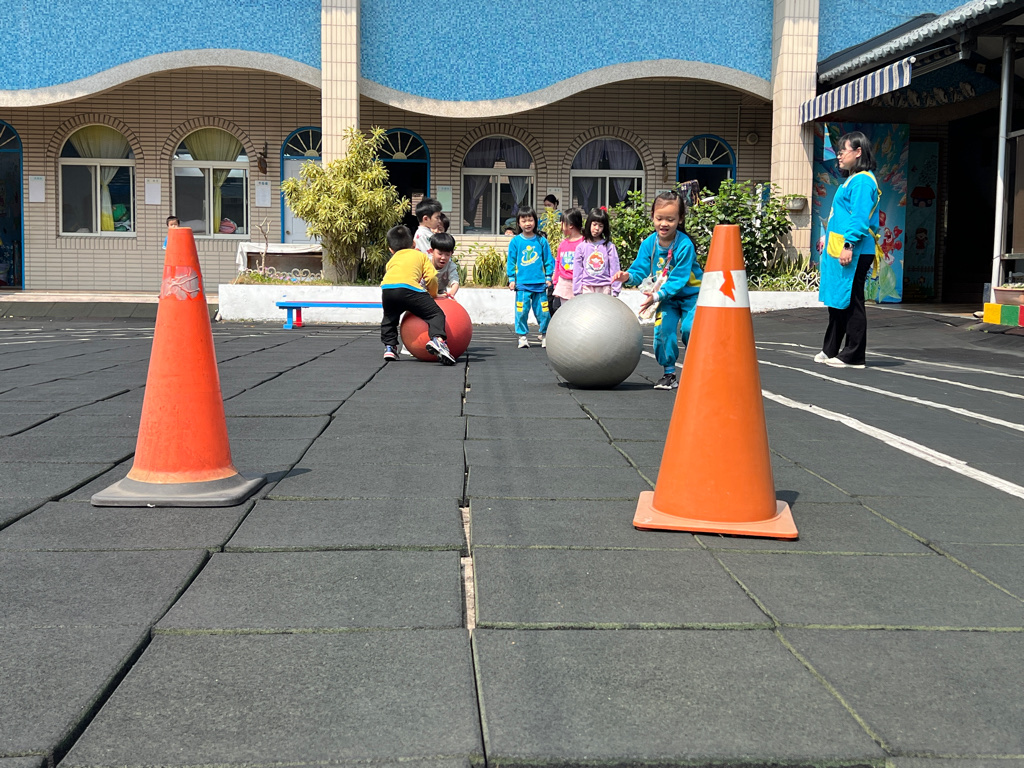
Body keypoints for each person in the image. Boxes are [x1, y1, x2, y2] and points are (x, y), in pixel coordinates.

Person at [613, 191, 703, 390]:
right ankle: (669, 373)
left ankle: (697, 369)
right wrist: (627, 276)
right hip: (666, 299)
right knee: (663, 330)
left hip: (691, 296)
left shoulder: (684, 245)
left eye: (670, 219)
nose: (664, 224)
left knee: (691, 329)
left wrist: (655, 296)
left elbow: (679, 279)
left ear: (680, 219)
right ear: (652, 216)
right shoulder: (649, 244)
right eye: (659, 218)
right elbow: (640, 269)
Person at [816, 131, 880, 370]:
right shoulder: (853, 179)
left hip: (855, 249)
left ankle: (854, 355)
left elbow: (860, 219)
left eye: (843, 151)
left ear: (858, 151)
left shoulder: (863, 180)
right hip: (841, 247)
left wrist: (849, 245)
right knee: (838, 299)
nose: (839, 156)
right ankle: (831, 348)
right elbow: (841, 216)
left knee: (852, 301)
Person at [380, 225, 455, 365]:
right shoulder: (420, 255)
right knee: (435, 314)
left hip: (387, 290)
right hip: (410, 290)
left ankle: (390, 347)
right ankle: (438, 340)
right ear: (413, 244)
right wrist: (433, 294)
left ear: (391, 250)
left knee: (389, 319)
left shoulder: (392, 260)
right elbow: (431, 277)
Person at [506, 205, 554, 348]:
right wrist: (511, 279)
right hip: (522, 285)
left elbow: (548, 260)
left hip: (540, 285)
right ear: (518, 223)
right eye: (524, 220)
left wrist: (548, 277)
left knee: (543, 312)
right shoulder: (515, 241)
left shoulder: (541, 241)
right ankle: (522, 337)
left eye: (530, 220)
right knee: (521, 312)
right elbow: (511, 261)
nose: (527, 223)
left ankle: (545, 335)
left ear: (535, 221)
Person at [573, 207, 621, 297]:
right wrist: (577, 290)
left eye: (600, 226)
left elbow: (615, 268)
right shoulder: (581, 247)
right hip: (586, 287)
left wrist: (615, 289)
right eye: (594, 224)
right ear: (589, 224)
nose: (597, 228)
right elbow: (577, 270)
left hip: (604, 287)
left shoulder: (609, 247)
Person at [550, 207, 585, 313]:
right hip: (564, 282)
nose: (561, 226)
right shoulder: (563, 244)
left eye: (562, 223)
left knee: (579, 311)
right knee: (565, 311)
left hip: (580, 282)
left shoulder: (584, 243)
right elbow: (558, 263)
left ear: (570, 225)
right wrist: (556, 282)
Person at [425, 231, 460, 299]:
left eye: (447, 254)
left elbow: (455, 281)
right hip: (424, 294)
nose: (443, 258)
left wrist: (451, 293)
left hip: (441, 293)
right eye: (440, 254)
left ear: (452, 253)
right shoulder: (425, 264)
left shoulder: (450, 266)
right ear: (431, 251)